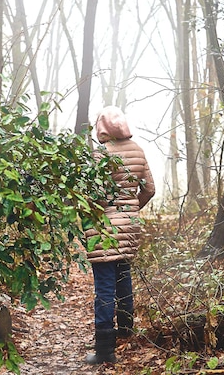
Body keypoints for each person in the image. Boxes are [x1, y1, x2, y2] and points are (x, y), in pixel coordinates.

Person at [84, 106, 155, 364]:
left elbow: (95, 195)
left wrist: (92, 214)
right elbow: (149, 189)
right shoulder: (138, 150)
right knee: (123, 278)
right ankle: (127, 336)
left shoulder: (100, 153)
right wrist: (131, 210)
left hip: (104, 228)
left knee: (104, 287)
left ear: (102, 127)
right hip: (130, 226)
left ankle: (105, 351)